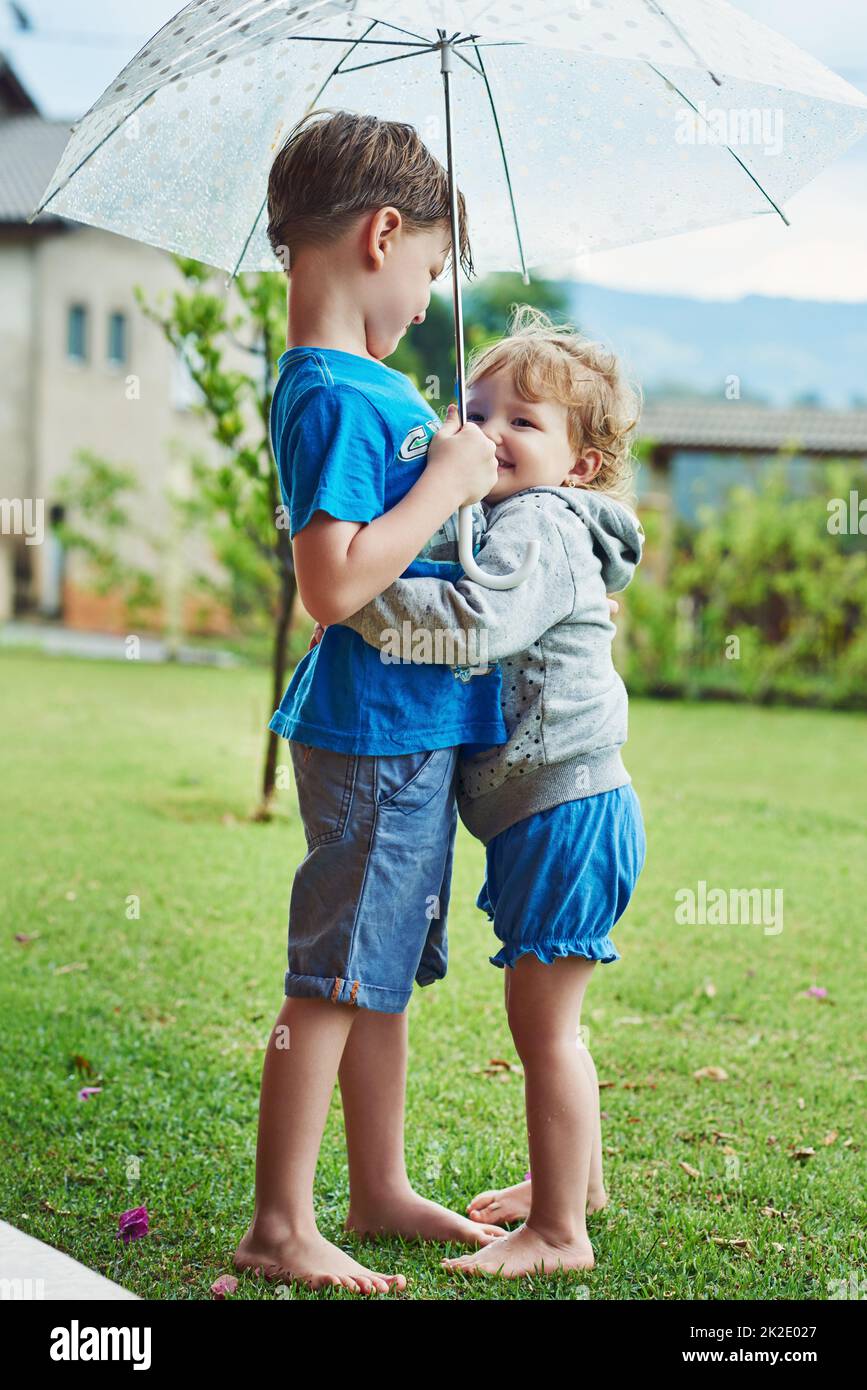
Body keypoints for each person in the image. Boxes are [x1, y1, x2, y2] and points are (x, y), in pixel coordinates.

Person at [233, 108, 511, 1296]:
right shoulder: (338, 394)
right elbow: (334, 583)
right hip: (372, 732)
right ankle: (280, 1222)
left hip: (410, 730)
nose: (429, 296)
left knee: (378, 968)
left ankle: (378, 1184)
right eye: (433, 270)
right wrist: (446, 475)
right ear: (383, 234)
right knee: (334, 974)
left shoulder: (364, 387)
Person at [340, 304, 647, 1276]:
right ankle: (575, 1182)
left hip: (566, 805)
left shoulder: (547, 526)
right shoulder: (516, 521)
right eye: (477, 411)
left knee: (542, 1025)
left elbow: (471, 622)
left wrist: (356, 597)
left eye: (524, 420)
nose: (491, 433)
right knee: (550, 1016)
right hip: (551, 806)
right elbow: (465, 577)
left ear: (581, 464)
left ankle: (560, 1232)